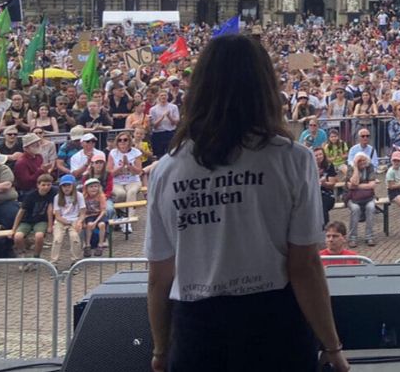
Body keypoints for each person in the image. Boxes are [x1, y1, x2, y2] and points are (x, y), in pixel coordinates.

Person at [144, 34, 347, 372]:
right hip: (274, 327)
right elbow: (305, 266)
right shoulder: (292, 159)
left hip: (197, 331)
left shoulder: (167, 169)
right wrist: (332, 345)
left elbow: (159, 276)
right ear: (265, 87)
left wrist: (161, 349)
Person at [11, 172, 55, 265]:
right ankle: (23, 256)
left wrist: (50, 226)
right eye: (43, 185)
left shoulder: (52, 193)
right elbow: (21, 212)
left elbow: (50, 210)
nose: (46, 187)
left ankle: (36, 257)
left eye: (48, 185)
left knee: (39, 236)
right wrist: (14, 228)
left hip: (41, 221)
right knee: (18, 237)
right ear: (38, 185)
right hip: (27, 220)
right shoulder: (30, 196)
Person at [49, 174, 84, 265]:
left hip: (75, 219)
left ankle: (75, 261)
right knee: (57, 239)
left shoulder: (79, 196)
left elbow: (83, 213)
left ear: (73, 185)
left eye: (69, 185)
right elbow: (57, 216)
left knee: (74, 237)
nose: (66, 188)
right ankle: (54, 262)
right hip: (61, 221)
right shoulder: (57, 198)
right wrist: (66, 222)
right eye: (64, 186)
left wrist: (79, 221)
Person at [345, 152, 378, 248]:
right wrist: (355, 166)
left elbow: (372, 185)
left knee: (371, 207)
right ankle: (352, 238)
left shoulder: (369, 167)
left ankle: (369, 236)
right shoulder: (351, 168)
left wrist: (357, 186)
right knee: (355, 209)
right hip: (352, 197)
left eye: (364, 160)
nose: (362, 162)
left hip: (368, 197)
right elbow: (352, 183)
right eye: (360, 161)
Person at [148, 90, 180, 159]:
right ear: (158, 97)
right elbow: (154, 125)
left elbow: (176, 122)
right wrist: (162, 117)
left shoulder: (174, 107)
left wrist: (169, 116)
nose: (163, 97)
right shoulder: (153, 109)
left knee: (171, 153)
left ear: (168, 96)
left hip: (170, 132)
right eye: (161, 95)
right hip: (158, 134)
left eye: (165, 95)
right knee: (158, 154)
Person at [81, 177, 107, 256]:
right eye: (91, 187)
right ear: (87, 188)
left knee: (101, 225)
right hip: (89, 215)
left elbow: (103, 211)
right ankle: (87, 245)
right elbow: (83, 211)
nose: (93, 189)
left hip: (99, 215)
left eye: (95, 186)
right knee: (89, 225)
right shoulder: (84, 197)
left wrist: (96, 222)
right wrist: (83, 220)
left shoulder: (101, 196)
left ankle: (100, 244)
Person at [314, 147, 338, 226]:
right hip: (313, 194)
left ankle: (325, 228)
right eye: (316, 155)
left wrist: (324, 183)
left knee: (322, 206)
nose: (318, 157)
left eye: (320, 154)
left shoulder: (329, 166)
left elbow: (332, 184)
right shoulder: (309, 166)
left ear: (324, 155)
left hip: (326, 194)